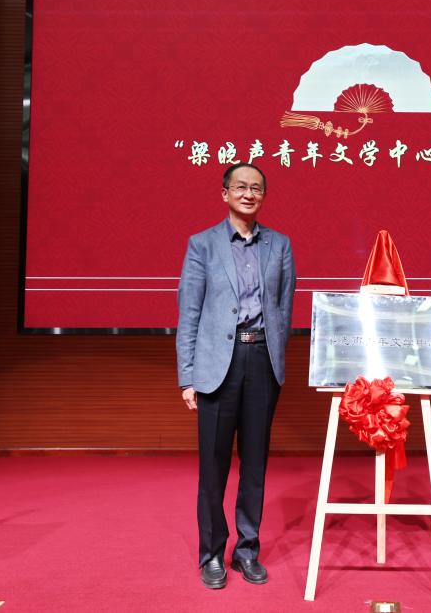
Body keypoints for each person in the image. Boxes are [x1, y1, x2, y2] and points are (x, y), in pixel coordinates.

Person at [176, 163, 295, 590]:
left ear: (264, 195)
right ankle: (212, 553)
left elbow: (283, 308)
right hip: (216, 366)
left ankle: (247, 550)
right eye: (240, 187)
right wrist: (187, 376)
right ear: (224, 193)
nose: (248, 193)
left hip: (261, 359)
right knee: (214, 466)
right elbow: (189, 312)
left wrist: (275, 355)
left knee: (255, 464)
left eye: (256, 188)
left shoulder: (279, 245)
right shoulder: (202, 244)